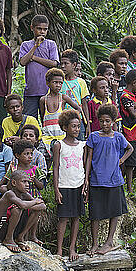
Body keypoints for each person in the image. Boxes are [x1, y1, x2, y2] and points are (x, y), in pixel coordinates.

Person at [85, 103, 133, 256]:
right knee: (95, 213)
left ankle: (109, 241)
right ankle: (94, 244)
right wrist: (86, 178)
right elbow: (89, 158)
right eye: (101, 121)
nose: (104, 124)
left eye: (107, 121)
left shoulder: (118, 137)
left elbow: (130, 148)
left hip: (114, 179)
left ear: (113, 121)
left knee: (115, 211)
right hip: (97, 179)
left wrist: (121, 160)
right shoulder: (93, 137)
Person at [53, 110, 86, 261]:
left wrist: (86, 185)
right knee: (63, 218)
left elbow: (84, 165)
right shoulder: (58, 145)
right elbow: (55, 168)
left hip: (78, 184)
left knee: (76, 217)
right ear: (65, 127)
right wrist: (56, 189)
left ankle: (72, 247)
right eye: (73, 126)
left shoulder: (82, 145)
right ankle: (59, 249)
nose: (77, 129)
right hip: (64, 185)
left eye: (78, 126)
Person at [0, 170, 46, 253]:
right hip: (0, 228)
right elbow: (23, 205)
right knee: (17, 209)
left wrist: (30, 206)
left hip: (16, 227)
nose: (27, 185)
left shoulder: (24, 194)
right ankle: (8, 239)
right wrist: (35, 202)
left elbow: (43, 206)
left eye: (28, 182)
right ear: (14, 183)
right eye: (24, 182)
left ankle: (20, 237)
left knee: (36, 210)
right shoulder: (9, 193)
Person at [19, 14, 59, 118]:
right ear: (32, 28)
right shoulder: (26, 45)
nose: (42, 32)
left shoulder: (51, 44)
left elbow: (54, 64)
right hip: (31, 91)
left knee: (47, 119)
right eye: (39, 29)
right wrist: (35, 46)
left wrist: (34, 58)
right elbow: (23, 62)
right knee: (29, 120)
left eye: (45, 29)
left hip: (47, 91)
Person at [39, 68, 80, 155]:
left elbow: (78, 108)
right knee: (46, 159)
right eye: (55, 82)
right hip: (47, 136)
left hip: (62, 135)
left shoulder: (63, 98)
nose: (58, 85)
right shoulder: (43, 100)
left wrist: (70, 119)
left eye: (60, 83)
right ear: (48, 83)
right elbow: (43, 117)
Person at [119, 69, 136, 192]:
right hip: (132, 134)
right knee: (131, 164)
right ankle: (130, 189)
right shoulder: (125, 97)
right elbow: (134, 113)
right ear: (134, 82)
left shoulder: (135, 96)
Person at [60, 49, 90, 139]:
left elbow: (84, 104)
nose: (62, 66)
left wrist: (88, 124)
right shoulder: (59, 82)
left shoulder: (81, 82)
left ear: (74, 65)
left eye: (66, 63)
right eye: (61, 63)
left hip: (78, 121)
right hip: (62, 121)